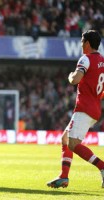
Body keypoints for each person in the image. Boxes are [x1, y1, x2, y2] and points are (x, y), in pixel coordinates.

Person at [47, 30, 104, 188]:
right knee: (65, 139)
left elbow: (75, 80)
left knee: (72, 144)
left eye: (81, 41)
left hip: (84, 108)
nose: (80, 45)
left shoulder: (85, 59)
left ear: (86, 43)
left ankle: (102, 167)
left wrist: (70, 75)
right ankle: (64, 176)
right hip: (95, 108)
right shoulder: (102, 60)